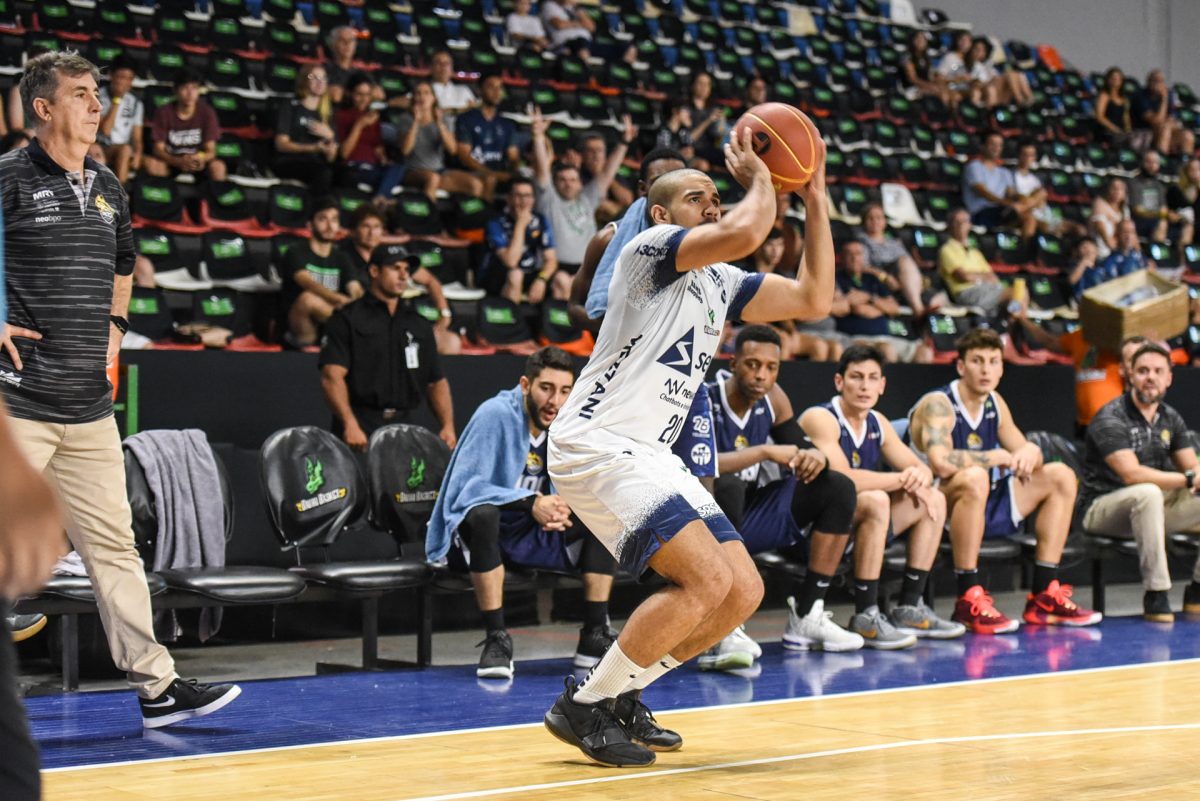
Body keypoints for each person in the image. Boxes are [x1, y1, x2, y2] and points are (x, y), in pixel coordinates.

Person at [542, 125, 835, 767]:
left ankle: (620, 694)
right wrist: (763, 177)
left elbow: (814, 297)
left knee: (742, 590)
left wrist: (814, 198)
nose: (712, 204)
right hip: (597, 441)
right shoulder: (647, 251)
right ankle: (586, 704)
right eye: (697, 198)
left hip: (650, 452)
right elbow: (748, 231)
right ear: (660, 214)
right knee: (704, 578)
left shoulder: (720, 281)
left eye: (715, 197)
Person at [0, 51, 240, 727]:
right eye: (80, 94)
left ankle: (158, 688)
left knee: (114, 548)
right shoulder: (9, 178)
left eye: (96, 93)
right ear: (42, 108)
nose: (96, 104)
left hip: (87, 407)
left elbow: (125, 264)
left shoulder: (108, 184)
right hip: (18, 402)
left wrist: (115, 326)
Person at [673, 326, 863, 667]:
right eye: (752, 365)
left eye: (771, 367)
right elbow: (701, 467)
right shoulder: (705, 399)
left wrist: (815, 457)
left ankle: (808, 614)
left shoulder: (774, 399)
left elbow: (803, 446)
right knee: (728, 486)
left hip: (750, 514)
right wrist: (763, 452)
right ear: (733, 364)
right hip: (701, 520)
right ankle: (723, 626)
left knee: (838, 487)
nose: (761, 375)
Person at [426, 347, 617, 679]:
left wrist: (564, 506)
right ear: (526, 385)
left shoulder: (567, 421)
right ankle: (496, 639)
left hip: (534, 532)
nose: (554, 401)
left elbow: (584, 481)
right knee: (484, 515)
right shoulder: (495, 414)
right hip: (484, 537)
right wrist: (530, 502)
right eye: (546, 388)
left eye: (564, 391)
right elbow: (466, 489)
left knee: (604, 514)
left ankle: (594, 634)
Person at [907, 329, 1100, 634]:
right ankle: (967, 596)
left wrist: (1031, 451)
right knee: (974, 477)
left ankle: (1043, 594)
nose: (985, 369)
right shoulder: (938, 404)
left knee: (1060, 475)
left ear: (1001, 368)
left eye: (993, 361)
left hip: (985, 499)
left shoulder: (995, 402)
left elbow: (1023, 451)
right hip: (938, 506)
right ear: (961, 366)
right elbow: (940, 463)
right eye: (977, 361)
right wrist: (993, 457)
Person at [800, 345, 965, 645]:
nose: (865, 386)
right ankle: (866, 614)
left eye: (872, 378)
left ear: (882, 385)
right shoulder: (820, 417)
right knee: (876, 499)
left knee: (934, 498)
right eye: (856, 377)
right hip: (814, 528)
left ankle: (910, 606)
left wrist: (920, 478)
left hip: (858, 524)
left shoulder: (878, 422)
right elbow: (844, 479)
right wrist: (903, 479)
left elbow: (922, 469)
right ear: (839, 381)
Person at [1079, 343, 1200, 622]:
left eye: (1158, 371)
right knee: (1147, 491)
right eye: (1143, 371)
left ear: (1169, 378)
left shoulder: (1170, 417)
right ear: (1129, 375)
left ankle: (1197, 591)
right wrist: (1188, 479)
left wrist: (1196, 474)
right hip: (1102, 509)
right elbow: (1131, 474)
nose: (1150, 377)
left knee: (1154, 494)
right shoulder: (1110, 416)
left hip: (1153, 509)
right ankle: (1156, 594)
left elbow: (1191, 466)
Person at [319, 243, 456, 449]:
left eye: (406, 270)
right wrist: (349, 423)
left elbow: (436, 381)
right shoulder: (346, 318)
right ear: (374, 271)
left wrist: (447, 426)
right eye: (395, 268)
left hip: (405, 426)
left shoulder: (418, 324)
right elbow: (331, 377)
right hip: (360, 425)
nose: (403, 276)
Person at [571, 148, 687, 330]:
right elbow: (574, 309)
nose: (670, 190)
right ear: (642, 188)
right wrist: (620, 324)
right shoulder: (607, 240)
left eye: (678, 181)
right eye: (659, 182)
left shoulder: (702, 240)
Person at [531, 107, 632, 276]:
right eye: (562, 180)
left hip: (585, 270)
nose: (568, 184)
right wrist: (538, 137)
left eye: (573, 180)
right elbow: (542, 169)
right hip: (555, 269)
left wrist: (624, 142)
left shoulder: (587, 199)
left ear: (580, 184)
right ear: (554, 183)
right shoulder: (548, 199)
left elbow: (608, 173)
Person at [753, 229, 845, 361]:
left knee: (820, 346)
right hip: (750, 324)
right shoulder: (748, 273)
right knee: (783, 340)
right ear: (759, 247)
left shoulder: (781, 275)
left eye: (780, 245)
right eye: (770, 245)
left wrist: (792, 331)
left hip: (781, 329)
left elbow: (785, 309)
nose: (775, 251)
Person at [281, 197, 360, 347]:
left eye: (334, 220)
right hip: (300, 329)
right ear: (310, 225)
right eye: (323, 219)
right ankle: (352, 329)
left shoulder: (342, 257)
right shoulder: (296, 251)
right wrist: (338, 300)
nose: (330, 226)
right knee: (308, 299)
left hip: (332, 323)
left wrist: (359, 303)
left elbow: (354, 287)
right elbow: (307, 282)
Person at [835, 240, 931, 363]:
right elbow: (857, 309)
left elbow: (894, 308)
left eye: (858, 253)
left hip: (885, 338)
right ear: (841, 257)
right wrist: (881, 308)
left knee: (924, 352)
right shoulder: (837, 278)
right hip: (855, 338)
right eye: (849, 254)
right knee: (887, 350)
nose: (854, 258)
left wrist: (869, 298)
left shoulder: (872, 279)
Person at [398, 81, 483, 201]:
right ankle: (429, 212)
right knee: (432, 179)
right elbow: (405, 150)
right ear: (413, 98)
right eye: (418, 93)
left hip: (439, 170)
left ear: (433, 98)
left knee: (474, 184)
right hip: (413, 170)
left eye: (426, 93)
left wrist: (439, 123)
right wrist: (416, 122)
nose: (422, 97)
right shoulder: (405, 119)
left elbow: (453, 150)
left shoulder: (444, 120)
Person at [481, 177, 559, 303]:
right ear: (509, 198)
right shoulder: (495, 222)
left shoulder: (540, 220)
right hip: (497, 275)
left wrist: (541, 279)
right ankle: (513, 315)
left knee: (562, 280)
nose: (523, 201)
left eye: (528, 196)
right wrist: (521, 224)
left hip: (529, 272)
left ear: (533, 199)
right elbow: (511, 261)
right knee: (516, 275)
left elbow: (551, 260)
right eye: (518, 195)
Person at [143, 67, 226, 182]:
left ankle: (214, 193)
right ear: (176, 90)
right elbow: (158, 149)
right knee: (153, 165)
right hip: (171, 160)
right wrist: (178, 161)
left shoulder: (207, 113)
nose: (190, 93)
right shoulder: (163, 112)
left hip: (196, 160)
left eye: (194, 88)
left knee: (218, 166)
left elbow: (211, 151)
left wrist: (200, 158)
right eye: (185, 88)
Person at [335, 74, 405, 204]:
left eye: (367, 95)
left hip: (373, 167)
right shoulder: (341, 115)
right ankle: (381, 198)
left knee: (398, 167)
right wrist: (359, 125)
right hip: (354, 167)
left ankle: (379, 197)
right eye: (359, 95)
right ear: (350, 94)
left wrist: (383, 158)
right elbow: (344, 153)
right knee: (387, 182)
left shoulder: (373, 117)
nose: (364, 99)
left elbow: (377, 147)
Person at [856, 202, 933, 316]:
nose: (875, 221)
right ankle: (918, 310)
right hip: (880, 283)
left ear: (885, 221)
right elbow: (862, 266)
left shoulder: (894, 242)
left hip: (903, 282)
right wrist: (884, 276)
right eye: (870, 218)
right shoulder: (861, 242)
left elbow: (908, 264)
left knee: (938, 298)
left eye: (879, 218)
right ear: (864, 221)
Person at [272, 63, 337, 194]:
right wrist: (313, 148)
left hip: (317, 162)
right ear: (304, 80)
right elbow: (281, 144)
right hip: (290, 160)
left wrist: (330, 137)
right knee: (322, 173)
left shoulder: (327, 113)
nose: (320, 82)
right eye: (314, 78)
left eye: (323, 78)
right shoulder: (290, 106)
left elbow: (331, 157)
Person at [938, 208, 1016, 315]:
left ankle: (1014, 320)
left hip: (986, 289)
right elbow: (964, 276)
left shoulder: (975, 252)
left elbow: (992, 276)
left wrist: (976, 276)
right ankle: (1017, 321)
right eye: (957, 222)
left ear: (969, 225)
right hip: (966, 293)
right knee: (1014, 293)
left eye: (965, 221)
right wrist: (982, 277)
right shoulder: (947, 249)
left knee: (1019, 294)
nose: (961, 225)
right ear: (950, 226)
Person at [455, 73, 519, 201]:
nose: (496, 92)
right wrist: (491, 173)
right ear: (480, 90)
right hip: (473, 173)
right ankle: (486, 213)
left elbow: (513, 156)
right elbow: (464, 157)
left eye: (499, 87)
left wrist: (514, 171)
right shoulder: (466, 119)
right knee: (490, 179)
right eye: (491, 87)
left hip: (500, 173)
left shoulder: (507, 123)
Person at [97, 56, 143, 184]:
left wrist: (138, 153)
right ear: (111, 75)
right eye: (121, 77)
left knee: (127, 150)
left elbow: (137, 137)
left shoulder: (135, 103)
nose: (125, 83)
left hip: (121, 149)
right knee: (123, 150)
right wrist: (117, 99)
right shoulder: (97, 96)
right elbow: (105, 130)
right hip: (99, 145)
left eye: (129, 78)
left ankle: (120, 190)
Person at [1077, 219, 1152, 297]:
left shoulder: (1139, 256)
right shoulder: (1109, 262)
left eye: (1132, 232)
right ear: (1117, 235)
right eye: (1125, 232)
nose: (1128, 236)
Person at [1132, 70, 1194, 157]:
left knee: (1187, 135)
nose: (1158, 84)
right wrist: (1164, 99)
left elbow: (1172, 118)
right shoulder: (1141, 96)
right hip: (1145, 132)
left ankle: (1186, 162)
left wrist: (1170, 122)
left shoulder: (1170, 94)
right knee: (1165, 129)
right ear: (1148, 81)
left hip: (1165, 130)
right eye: (1155, 80)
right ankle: (1162, 160)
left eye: (1161, 81)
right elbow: (1156, 121)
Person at [962, 131, 1017, 230]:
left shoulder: (1005, 172)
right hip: (980, 213)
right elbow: (982, 192)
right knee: (1018, 214)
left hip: (1001, 210)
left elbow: (1012, 194)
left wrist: (1028, 200)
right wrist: (1006, 203)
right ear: (982, 146)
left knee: (1028, 215)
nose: (996, 148)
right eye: (992, 144)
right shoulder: (974, 166)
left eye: (999, 145)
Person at [1129, 149, 1179, 244]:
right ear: (1142, 163)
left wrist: (1170, 215)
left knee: (1186, 226)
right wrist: (1162, 214)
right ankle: (1154, 251)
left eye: (1155, 163)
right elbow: (1137, 210)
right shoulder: (1134, 183)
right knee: (1162, 223)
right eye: (1148, 162)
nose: (1151, 166)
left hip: (1156, 220)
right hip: (1139, 221)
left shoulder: (1159, 185)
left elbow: (1163, 208)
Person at [902, 31, 955, 108]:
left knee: (949, 93)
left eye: (923, 39)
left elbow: (931, 77)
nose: (920, 41)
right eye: (918, 38)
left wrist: (941, 84)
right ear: (912, 41)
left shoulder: (926, 58)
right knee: (941, 94)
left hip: (925, 86)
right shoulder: (907, 56)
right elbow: (912, 79)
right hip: (912, 88)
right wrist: (930, 86)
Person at [428, 50, 477, 121]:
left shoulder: (463, 90)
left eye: (447, 63)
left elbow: (474, 110)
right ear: (431, 67)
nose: (443, 67)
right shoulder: (424, 91)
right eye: (438, 63)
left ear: (452, 68)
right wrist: (463, 109)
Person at [1090, 177, 1128, 256]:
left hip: (1119, 249)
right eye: (1114, 188)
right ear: (1108, 190)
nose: (1117, 191)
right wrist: (1110, 245)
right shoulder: (1099, 203)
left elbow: (1129, 230)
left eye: (1120, 189)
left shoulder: (1125, 209)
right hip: (1102, 249)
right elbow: (1099, 226)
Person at [1094, 67, 1132, 145]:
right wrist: (1114, 129)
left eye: (1118, 79)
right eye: (1113, 78)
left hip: (1121, 131)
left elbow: (1126, 116)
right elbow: (1100, 116)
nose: (1116, 81)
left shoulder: (1124, 99)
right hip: (1107, 131)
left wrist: (1128, 131)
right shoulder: (1104, 95)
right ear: (1108, 80)